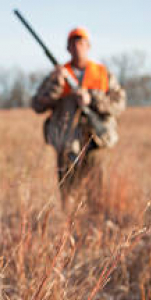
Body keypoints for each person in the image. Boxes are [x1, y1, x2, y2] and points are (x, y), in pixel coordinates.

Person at [31, 27, 126, 190]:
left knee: (96, 192)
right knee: (68, 195)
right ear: (67, 48)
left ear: (88, 46)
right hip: (66, 144)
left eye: (81, 43)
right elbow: (37, 105)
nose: (77, 47)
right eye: (73, 43)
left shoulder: (102, 73)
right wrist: (56, 86)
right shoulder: (58, 74)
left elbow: (119, 104)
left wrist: (93, 99)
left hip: (96, 141)